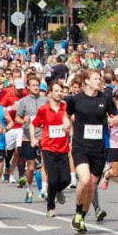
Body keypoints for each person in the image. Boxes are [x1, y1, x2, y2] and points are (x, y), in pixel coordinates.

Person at [65, 70, 114, 232]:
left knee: (92, 186)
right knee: (85, 180)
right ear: (86, 81)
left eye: (100, 78)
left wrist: (116, 120)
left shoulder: (105, 98)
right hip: (80, 146)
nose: (99, 81)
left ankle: (82, 216)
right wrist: (67, 124)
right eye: (95, 78)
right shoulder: (76, 99)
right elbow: (66, 114)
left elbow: (117, 116)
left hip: (98, 148)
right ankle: (78, 212)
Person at [32, 81, 72, 218]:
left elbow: (71, 122)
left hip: (63, 147)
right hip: (48, 147)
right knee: (53, 179)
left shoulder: (66, 108)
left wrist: (69, 127)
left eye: (61, 91)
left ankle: (59, 191)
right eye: (56, 91)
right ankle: (51, 207)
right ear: (50, 93)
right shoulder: (44, 109)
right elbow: (35, 124)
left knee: (66, 179)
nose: (59, 93)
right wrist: (33, 138)